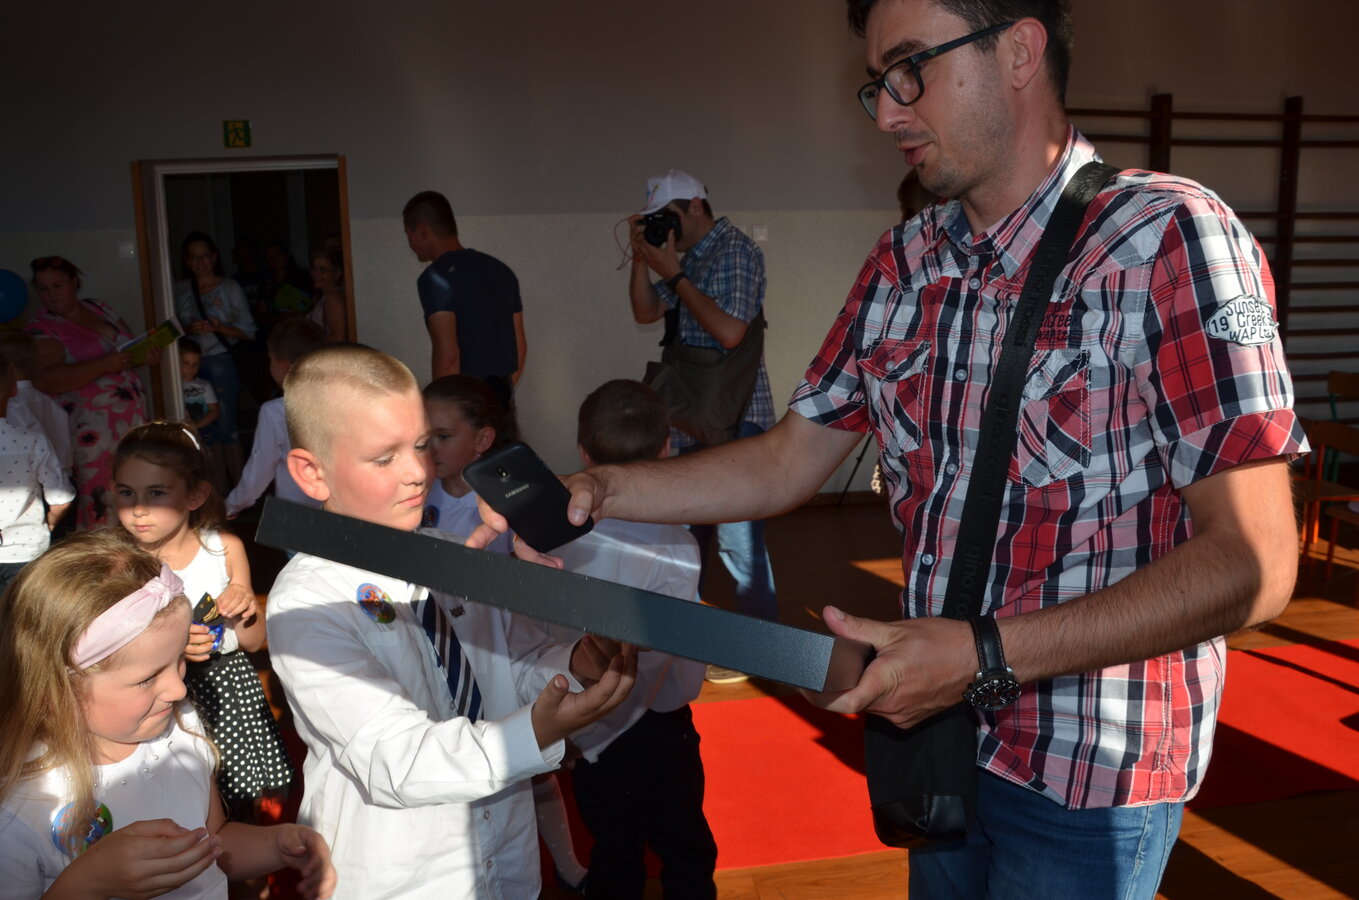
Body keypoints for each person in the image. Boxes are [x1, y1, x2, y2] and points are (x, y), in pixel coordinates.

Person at [479, 2, 1307, 896]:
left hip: (1086, 773)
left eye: (910, 69)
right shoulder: (903, 261)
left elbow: (1254, 563)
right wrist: (602, 490)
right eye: (876, 83)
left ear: (1019, 51)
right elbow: (786, 459)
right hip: (936, 741)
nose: (884, 113)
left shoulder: (1167, 239)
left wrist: (982, 656)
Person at [266, 343, 638, 898]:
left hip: (506, 859)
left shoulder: (455, 556)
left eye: (422, 445)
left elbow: (512, 667)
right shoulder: (307, 602)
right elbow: (395, 759)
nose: (418, 471)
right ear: (312, 473)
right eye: (384, 458)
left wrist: (573, 666)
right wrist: (534, 733)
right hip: (406, 877)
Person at [0, 529, 336, 899]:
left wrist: (278, 844)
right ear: (53, 692)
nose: (179, 690)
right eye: (147, 679)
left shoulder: (179, 725)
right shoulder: (21, 803)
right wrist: (87, 882)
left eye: (179, 660)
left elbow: (214, 842)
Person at [421, 374, 587, 892]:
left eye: (444, 436)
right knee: (463, 754)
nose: (430, 449)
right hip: (448, 647)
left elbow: (537, 575)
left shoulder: (503, 502)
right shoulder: (419, 495)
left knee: (532, 766)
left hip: (506, 643)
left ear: (483, 440)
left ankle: (568, 865)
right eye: (424, 437)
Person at [554, 379, 717, 900]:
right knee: (686, 848)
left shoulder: (559, 538)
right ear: (667, 448)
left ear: (583, 453)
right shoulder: (678, 544)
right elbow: (668, 649)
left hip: (588, 720)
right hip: (661, 727)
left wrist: (574, 727)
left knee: (613, 849)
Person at [626, 169, 778, 682]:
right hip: (694, 417)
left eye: (667, 218)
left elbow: (731, 331)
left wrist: (674, 274)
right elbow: (645, 312)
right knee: (687, 538)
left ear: (695, 206)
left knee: (740, 543)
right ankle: (689, 645)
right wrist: (644, 259)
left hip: (735, 418)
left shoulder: (735, 250)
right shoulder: (686, 257)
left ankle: (761, 652)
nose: (664, 228)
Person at [112, 422, 294, 817]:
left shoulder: (223, 549)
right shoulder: (118, 563)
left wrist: (245, 606)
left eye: (156, 493)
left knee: (238, 803)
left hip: (227, 690)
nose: (138, 509)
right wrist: (172, 651)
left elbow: (252, 641)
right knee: (177, 806)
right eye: (126, 493)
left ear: (195, 495)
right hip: (158, 698)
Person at [26, 255, 151, 528]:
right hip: (92, 431)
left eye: (57, 286)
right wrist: (104, 364)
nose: (51, 295)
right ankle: (100, 551)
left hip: (130, 422)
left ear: (74, 282)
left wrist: (144, 356)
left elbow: (127, 350)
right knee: (100, 494)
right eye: (44, 289)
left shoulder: (99, 307)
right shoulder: (41, 327)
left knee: (134, 487)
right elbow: (47, 380)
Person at [403, 190, 527, 414]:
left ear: (422, 231)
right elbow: (520, 348)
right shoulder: (502, 271)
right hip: (501, 403)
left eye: (408, 234)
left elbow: (448, 355)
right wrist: (496, 398)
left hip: (463, 408)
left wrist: (441, 411)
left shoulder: (436, 278)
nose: (409, 243)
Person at [174, 231, 258, 485]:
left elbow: (249, 331)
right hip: (187, 365)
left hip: (220, 361)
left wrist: (219, 327)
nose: (200, 262)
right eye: (194, 257)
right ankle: (216, 489)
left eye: (205, 256)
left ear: (214, 257)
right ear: (187, 261)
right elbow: (170, 328)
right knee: (199, 428)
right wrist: (189, 329)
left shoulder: (229, 287)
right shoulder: (180, 290)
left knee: (226, 426)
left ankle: (241, 490)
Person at [225, 317, 326, 518]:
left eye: (270, 359)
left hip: (297, 516)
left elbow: (258, 473)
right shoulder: (348, 401)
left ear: (284, 368)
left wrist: (230, 506)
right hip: (347, 514)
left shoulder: (275, 411)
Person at [0, 347, 74, 592]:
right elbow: (61, 498)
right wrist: (49, 524)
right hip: (27, 547)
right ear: (13, 390)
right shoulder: (32, 441)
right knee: (24, 612)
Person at [0, 329, 74, 478]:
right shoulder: (47, 401)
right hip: (63, 475)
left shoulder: (11, 406)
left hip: (35, 478)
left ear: (9, 368)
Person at [178, 339, 221, 436]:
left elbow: (214, 410)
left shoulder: (204, 385)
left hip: (203, 431)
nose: (191, 368)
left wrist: (197, 425)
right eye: (186, 363)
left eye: (195, 364)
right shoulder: (172, 386)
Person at [306, 246, 348, 343]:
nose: (315, 274)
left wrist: (308, 344)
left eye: (322, 270)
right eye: (314, 269)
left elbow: (339, 339)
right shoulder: (326, 296)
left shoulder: (333, 298)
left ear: (337, 274)